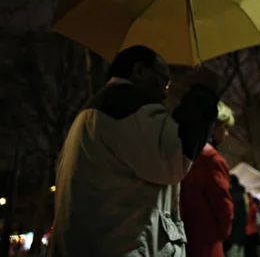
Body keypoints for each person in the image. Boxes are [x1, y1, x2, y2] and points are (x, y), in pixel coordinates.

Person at [50, 45, 219, 257]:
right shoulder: (126, 105)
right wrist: (203, 91)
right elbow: (174, 157)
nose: (164, 95)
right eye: (163, 83)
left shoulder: (100, 109)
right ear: (140, 71)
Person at [181, 101, 236, 257]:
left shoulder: (182, 155)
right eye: (224, 128)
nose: (226, 134)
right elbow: (223, 207)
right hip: (208, 245)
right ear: (213, 125)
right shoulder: (212, 161)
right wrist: (223, 233)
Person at [226, 175, 247, 257]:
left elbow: (231, 216)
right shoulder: (241, 195)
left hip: (233, 238)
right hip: (241, 236)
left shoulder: (233, 196)